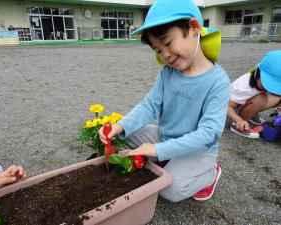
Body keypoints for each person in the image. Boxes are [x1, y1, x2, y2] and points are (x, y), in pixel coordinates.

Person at [99, 0, 230, 202]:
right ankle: (167, 159)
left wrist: (156, 150)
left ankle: (210, 173)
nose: (165, 55)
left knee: (170, 189)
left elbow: (208, 133)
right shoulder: (168, 72)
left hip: (198, 150)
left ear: (194, 28)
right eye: (158, 50)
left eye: (168, 43)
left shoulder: (217, 81)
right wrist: (120, 125)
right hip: (166, 137)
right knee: (127, 134)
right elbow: (149, 105)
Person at [228, 50, 281, 138]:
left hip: (246, 102)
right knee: (261, 99)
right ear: (259, 73)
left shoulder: (259, 81)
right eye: (269, 83)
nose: (270, 88)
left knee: (278, 98)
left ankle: (250, 115)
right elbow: (227, 107)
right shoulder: (243, 87)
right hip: (234, 110)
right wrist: (238, 121)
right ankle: (238, 125)